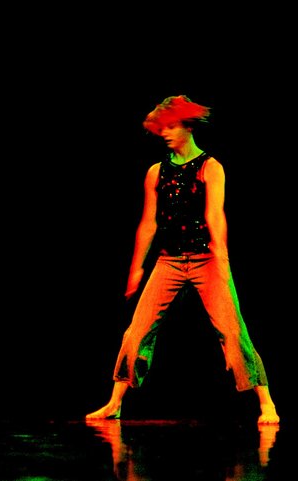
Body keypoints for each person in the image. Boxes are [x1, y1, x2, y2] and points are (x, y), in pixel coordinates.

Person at [86, 95, 279, 424]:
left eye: (171, 126)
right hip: (169, 261)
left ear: (188, 127)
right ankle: (115, 403)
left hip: (206, 260)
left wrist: (222, 259)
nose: (165, 133)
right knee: (136, 333)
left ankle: (267, 403)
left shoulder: (210, 167)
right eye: (162, 128)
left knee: (233, 331)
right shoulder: (155, 172)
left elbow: (215, 215)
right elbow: (149, 223)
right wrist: (137, 268)